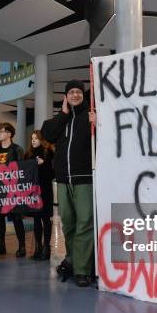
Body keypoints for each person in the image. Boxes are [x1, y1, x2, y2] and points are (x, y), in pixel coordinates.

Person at [41, 80, 96, 287]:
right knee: (69, 224)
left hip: (84, 180)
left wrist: (98, 123)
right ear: (65, 96)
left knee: (85, 222)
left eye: (78, 92)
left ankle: (82, 270)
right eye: (71, 92)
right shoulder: (57, 121)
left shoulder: (89, 118)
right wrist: (63, 115)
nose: (75, 95)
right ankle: (73, 260)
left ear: (83, 95)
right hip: (63, 180)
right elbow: (46, 135)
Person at [0, 122, 27, 256]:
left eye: (2, 131)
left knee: (17, 218)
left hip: (13, 190)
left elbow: (21, 170)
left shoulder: (17, 149)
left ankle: (22, 247)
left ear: (9, 133)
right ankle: (1, 246)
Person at [24, 130, 55, 260]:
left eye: (36, 138)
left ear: (41, 139)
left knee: (45, 219)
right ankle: (38, 248)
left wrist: (43, 164)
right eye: (32, 138)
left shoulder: (49, 153)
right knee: (36, 219)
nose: (33, 140)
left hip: (45, 190)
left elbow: (53, 173)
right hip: (33, 191)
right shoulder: (28, 155)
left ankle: (46, 247)